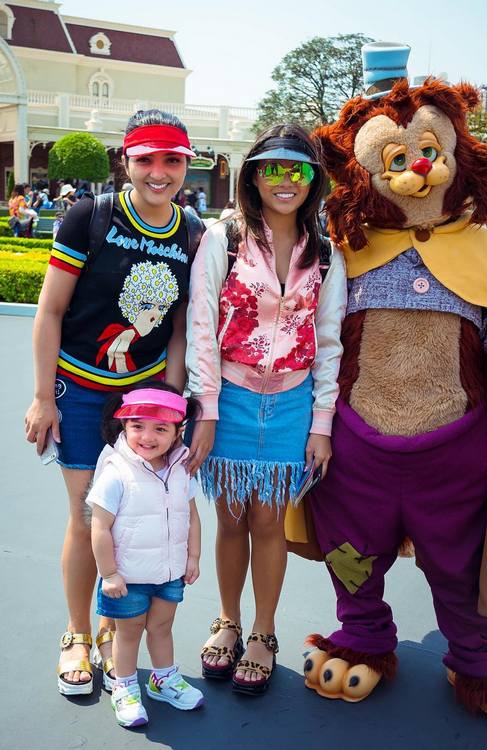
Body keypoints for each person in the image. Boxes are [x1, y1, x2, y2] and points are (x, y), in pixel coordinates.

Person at [24, 109, 202, 698]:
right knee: (88, 516)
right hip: (78, 391)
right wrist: (42, 397)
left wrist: (171, 403)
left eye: (172, 160)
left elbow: (179, 328)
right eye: (146, 159)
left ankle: (111, 623)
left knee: (136, 515)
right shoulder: (90, 216)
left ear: (187, 163)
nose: (159, 172)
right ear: (125, 161)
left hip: (144, 397)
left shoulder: (192, 232)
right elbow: (50, 311)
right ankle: (78, 632)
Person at [186, 124, 347, 694]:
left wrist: (322, 425)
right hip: (229, 398)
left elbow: (329, 342)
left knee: (268, 522)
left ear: (313, 180)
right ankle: (227, 621)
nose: (285, 180)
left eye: (297, 169)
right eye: (271, 167)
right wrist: (206, 410)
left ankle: (263, 631)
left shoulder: (325, 252)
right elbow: (201, 326)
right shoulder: (223, 239)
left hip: (291, 403)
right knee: (231, 519)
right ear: (253, 176)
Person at [88, 382, 203, 727]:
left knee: (162, 626)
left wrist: (192, 558)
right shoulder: (116, 471)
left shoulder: (181, 468)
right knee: (129, 632)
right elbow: (99, 527)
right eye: (138, 426)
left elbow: (191, 515)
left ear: (178, 431)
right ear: (124, 425)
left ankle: (163, 679)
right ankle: (124, 688)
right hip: (127, 577)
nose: (148, 437)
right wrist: (109, 574)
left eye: (160, 429)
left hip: (169, 573)